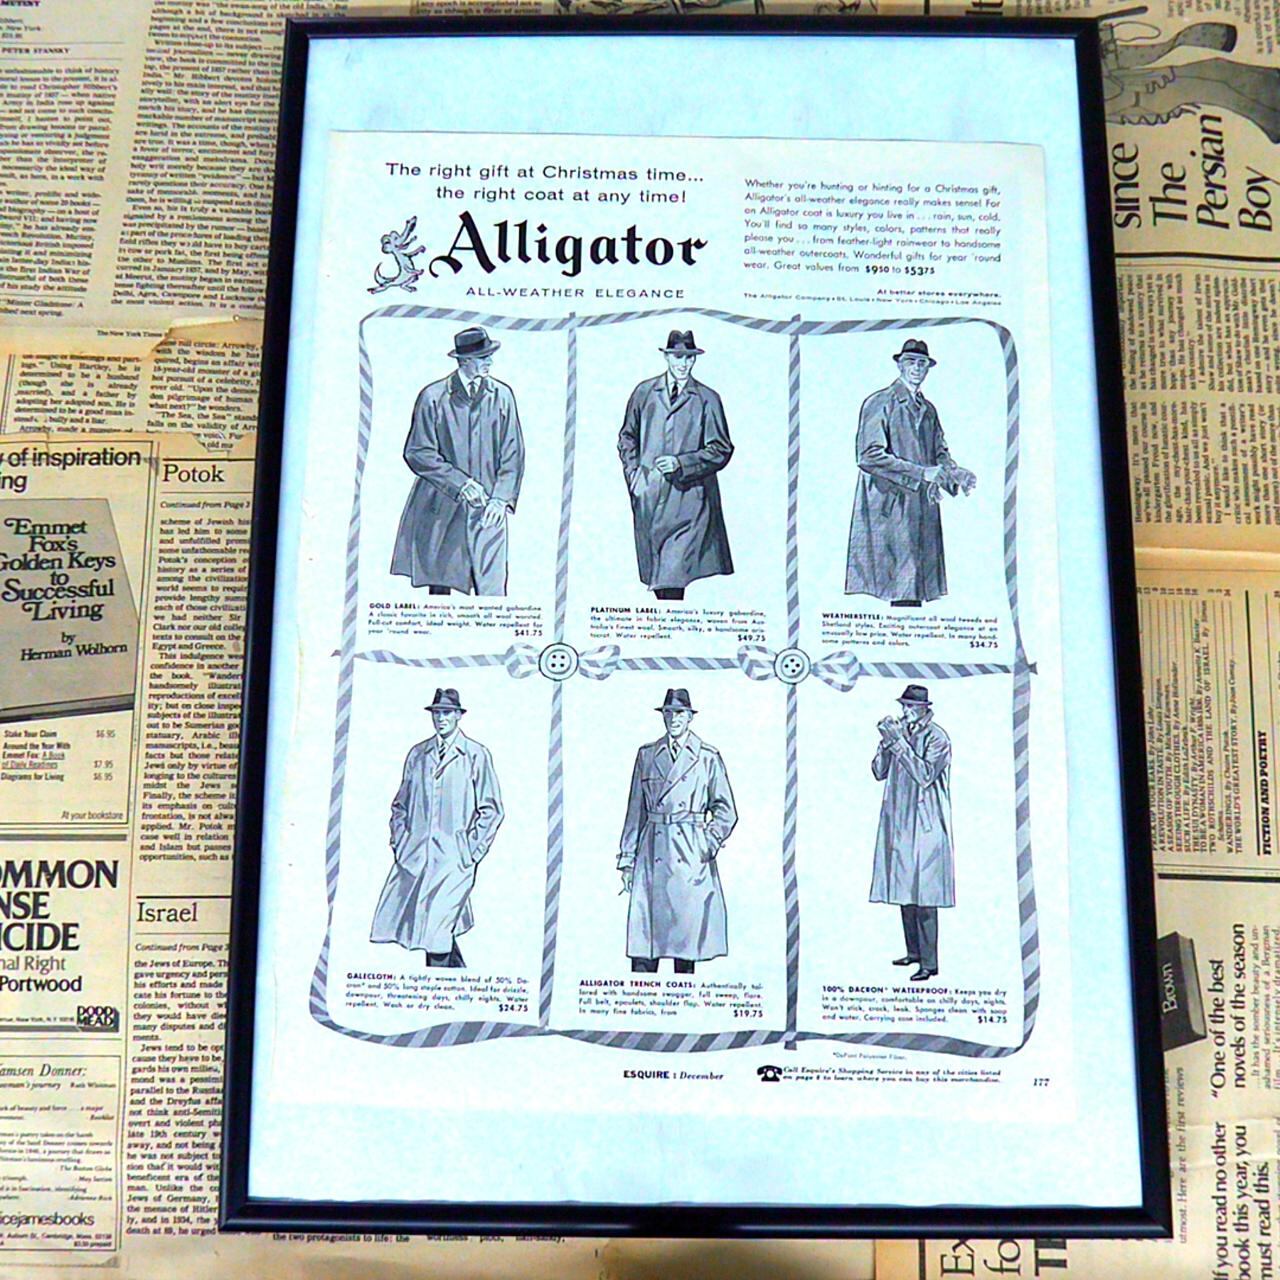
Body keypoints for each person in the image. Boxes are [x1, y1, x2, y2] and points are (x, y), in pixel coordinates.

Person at [370, 689, 503, 968]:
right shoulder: (418, 754)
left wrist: (470, 851)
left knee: (437, 930)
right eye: (437, 713)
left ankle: (438, 989)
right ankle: (455, 984)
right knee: (433, 930)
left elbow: (491, 809)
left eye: (447, 713)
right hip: (416, 857)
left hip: (454, 860)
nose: (441, 719)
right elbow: (400, 805)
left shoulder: (475, 755)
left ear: (458, 716)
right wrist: (401, 843)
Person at [390, 326, 525, 596]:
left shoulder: (502, 396)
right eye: (483, 357)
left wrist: (501, 499)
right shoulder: (433, 396)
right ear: (464, 360)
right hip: (441, 507)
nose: (490, 361)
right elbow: (418, 452)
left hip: (488, 508)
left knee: (492, 593)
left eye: (489, 355)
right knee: (441, 589)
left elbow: (513, 453)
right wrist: (461, 484)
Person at [845, 339, 976, 606]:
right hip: (889, 506)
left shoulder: (928, 410)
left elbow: (939, 453)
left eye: (922, 363)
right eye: (910, 362)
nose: (916, 368)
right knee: (899, 587)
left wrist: (955, 474)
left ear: (928, 368)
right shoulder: (880, 402)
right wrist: (921, 473)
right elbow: (868, 456)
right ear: (900, 365)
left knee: (916, 586)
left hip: (922, 507)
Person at [618, 689, 737, 973]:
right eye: (668, 713)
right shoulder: (647, 755)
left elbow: (726, 810)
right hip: (652, 854)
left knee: (686, 944)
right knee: (645, 947)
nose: (673, 719)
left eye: (680, 713)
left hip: (690, 855)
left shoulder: (707, 756)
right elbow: (635, 812)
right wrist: (627, 860)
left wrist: (707, 843)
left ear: (690, 717)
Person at [617, 330, 734, 601]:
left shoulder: (707, 398)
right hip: (650, 498)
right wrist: (634, 476)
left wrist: (682, 463)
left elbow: (721, 449)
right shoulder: (644, 392)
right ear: (667, 357)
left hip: (690, 504)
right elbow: (627, 437)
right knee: (658, 579)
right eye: (678, 357)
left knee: (672, 577)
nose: (683, 364)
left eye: (689, 358)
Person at [868, 684, 954, 982]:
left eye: (909, 707)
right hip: (900, 823)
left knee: (926, 895)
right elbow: (878, 772)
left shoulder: (938, 738)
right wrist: (885, 744)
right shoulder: (900, 734)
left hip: (927, 824)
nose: (904, 712)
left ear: (923, 709)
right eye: (903, 706)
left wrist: (898, 743)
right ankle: (913, 952)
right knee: (905, 891)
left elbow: (925, 775)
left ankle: (930, 963)